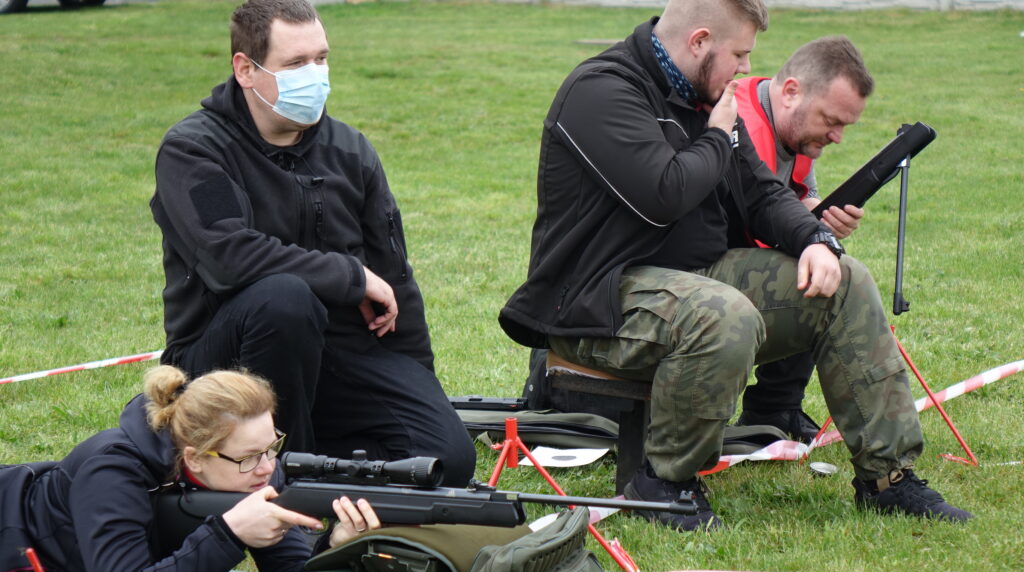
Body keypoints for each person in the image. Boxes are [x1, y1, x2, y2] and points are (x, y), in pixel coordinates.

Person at [498, 0, 971, 531]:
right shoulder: (602, 91)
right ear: (699, 42)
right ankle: (662, 483)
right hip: (595, 299)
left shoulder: (703, 98)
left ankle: (889, 480)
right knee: (722, 314)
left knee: (845, 281)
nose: (746, 69)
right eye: (740, 54)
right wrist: (719, 136)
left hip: (689, 280)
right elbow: (664, 194)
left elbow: (762, 194)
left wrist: (816, 239)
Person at [150, 0, 474, 485]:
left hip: (337, 355)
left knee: (446, 460)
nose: (315, 75)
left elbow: (396, 283)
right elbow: (228, 257)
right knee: (285, 299)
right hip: (223, 359)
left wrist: (421, 388)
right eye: (296, 64)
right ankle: (275, 476)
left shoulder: (351, 150)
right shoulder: (194, 150)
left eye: (321, 59)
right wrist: (350, 277)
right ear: (245, 69)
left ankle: (310, 458)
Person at [0, 366, 381, 572]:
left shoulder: (251, 470)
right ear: (195, 460)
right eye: (250, 456)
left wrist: (336, 543)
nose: (268, 468)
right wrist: (228, 534)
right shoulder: (111, 471)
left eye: (271, 447)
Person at [734, 36, 873, 442]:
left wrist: (823, 220)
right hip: (707, 264)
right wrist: (808, 232)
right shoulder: (737, 121)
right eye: (831, 121)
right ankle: (772, 408)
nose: (837, 137)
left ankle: (777, 409)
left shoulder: (796, 127)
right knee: (809, 272)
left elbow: (799, 197)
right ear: (792, 91)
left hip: (751, 253)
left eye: (844, 126)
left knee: (821, 264)